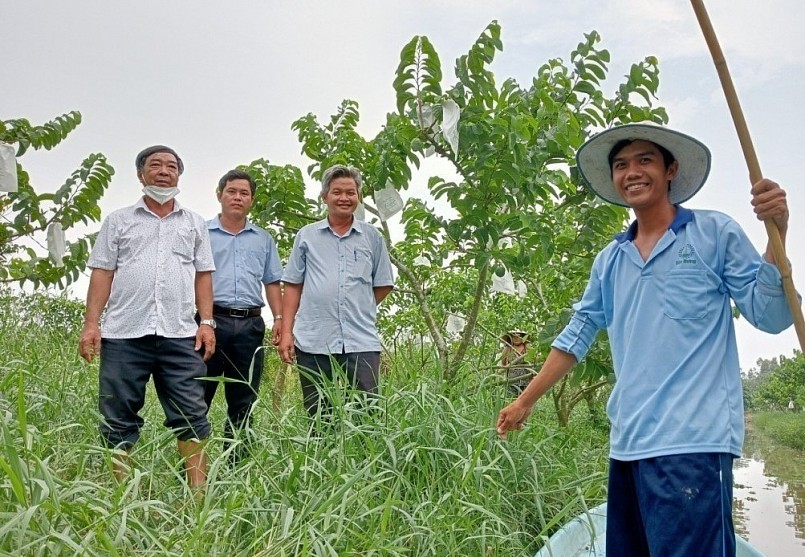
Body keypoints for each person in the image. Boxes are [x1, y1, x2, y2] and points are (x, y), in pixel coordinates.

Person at [496, 124, 796, 556]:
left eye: (644, 160)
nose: (631, 172)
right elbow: (576, 335)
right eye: (621, 165)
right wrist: (525, 400)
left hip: (694, 443)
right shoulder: (610, 259)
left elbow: (769, 316)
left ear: (671, 169)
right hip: (629, 444)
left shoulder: (714, 234)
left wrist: (777, 236)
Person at [78, 145, 216, 489]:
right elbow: (102, 272)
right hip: (124, 333)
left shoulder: (195, 223)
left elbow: (203, 274)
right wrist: (91, 324)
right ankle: (119, 496)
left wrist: (207, 322)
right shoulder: (119, 221)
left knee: (191, 413)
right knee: (117, 414)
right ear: (141, 174)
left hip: (179, 333)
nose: (164, 171)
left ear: (179, 175)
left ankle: (199, 497)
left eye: (171, 166)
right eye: (156, 165)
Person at [278, 164, 394, 424]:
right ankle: (322, 461)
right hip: (314, 338)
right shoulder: (307, 236)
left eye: (351, 192)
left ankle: (366, 463)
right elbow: (293, 285)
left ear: (359, 197)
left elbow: (384, 283)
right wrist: (287, 332)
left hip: (361, 339)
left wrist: (358, 306)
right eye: (337, 192)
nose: (344, 198)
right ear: (325, 197)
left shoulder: (372, 237)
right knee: (319, 415)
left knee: (368, 414)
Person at [205, 169, 283, 460]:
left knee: (243, 400)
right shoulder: (201, 233)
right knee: (197, 397)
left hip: (250, 325)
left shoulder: (263, 239)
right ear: (220, 195)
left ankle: (236, 468)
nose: (237, 197)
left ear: (251, 200)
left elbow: (272, 281)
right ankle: (194, 471)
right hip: (209, 322)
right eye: (232, 191)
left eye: (244, 193)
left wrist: (279, 319)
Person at [500, 331, 532, 396]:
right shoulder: (508, 348)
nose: (516, 338)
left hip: (526, 381)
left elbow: (532, 363)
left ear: (522, 337)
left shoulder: (527, 348)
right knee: (511, 401)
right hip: (512, 381)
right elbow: (503, 363)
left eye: (518, 336)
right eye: (514, 336)